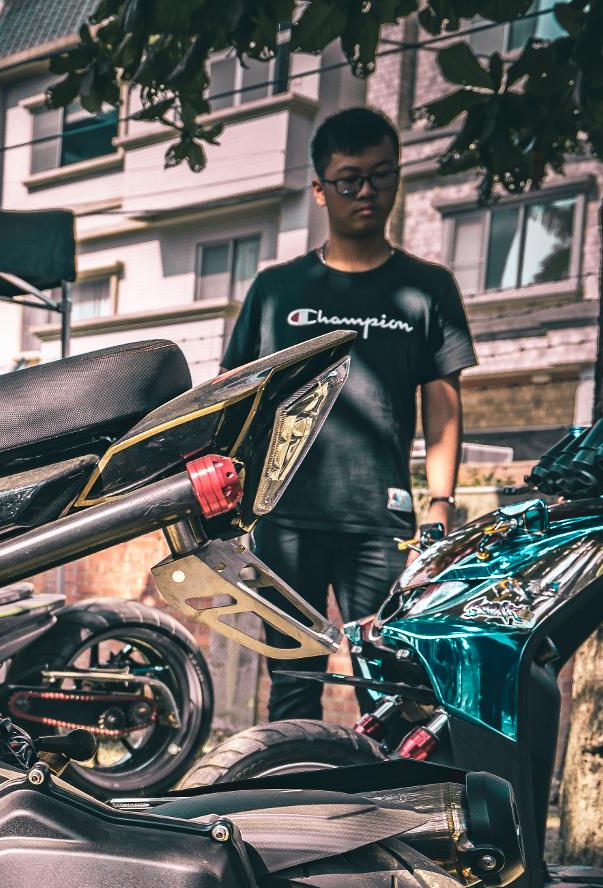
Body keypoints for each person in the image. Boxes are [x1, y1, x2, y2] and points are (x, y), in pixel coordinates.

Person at [223, 106, 475, 722]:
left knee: (389, 689)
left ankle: (383, 789)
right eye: (349, 179)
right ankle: (291, 785)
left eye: (382, 176)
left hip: (381, 522)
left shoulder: (427, 288)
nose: (367, 191)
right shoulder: (276, 290)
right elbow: (235, 397)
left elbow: (443, 403)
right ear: (319, 189)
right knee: (293, 684)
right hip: (284, 517)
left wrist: (440, 503)